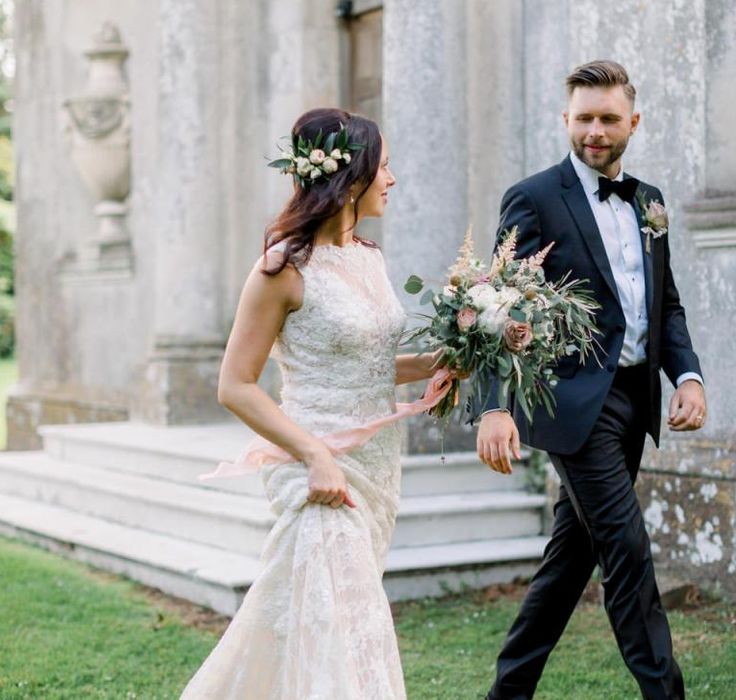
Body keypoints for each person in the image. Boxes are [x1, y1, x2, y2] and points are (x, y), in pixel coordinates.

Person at [180, 107, 439, 699]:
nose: (393, 180)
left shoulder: (370, 257)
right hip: (317, 472)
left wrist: (443, 363)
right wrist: (313, 455)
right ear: (350, 179)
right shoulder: (282, 269)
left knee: (312, 622)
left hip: (376, 467)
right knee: (348, 625)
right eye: (385, 167)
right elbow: (235, 384)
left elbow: (365, 365)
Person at [474, 60, 706, 700]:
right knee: (628, 552)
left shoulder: (651, 201)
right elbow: (500, 305)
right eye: (583, 119)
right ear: (565, 120)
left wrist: (687, 376)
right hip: (575, 407)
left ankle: (508, 691)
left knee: (571, 559)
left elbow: (667, 304)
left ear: (634, 120)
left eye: (608, 118)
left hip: (637, 401)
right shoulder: (535, 197)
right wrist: (495, 408)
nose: (595, 131)